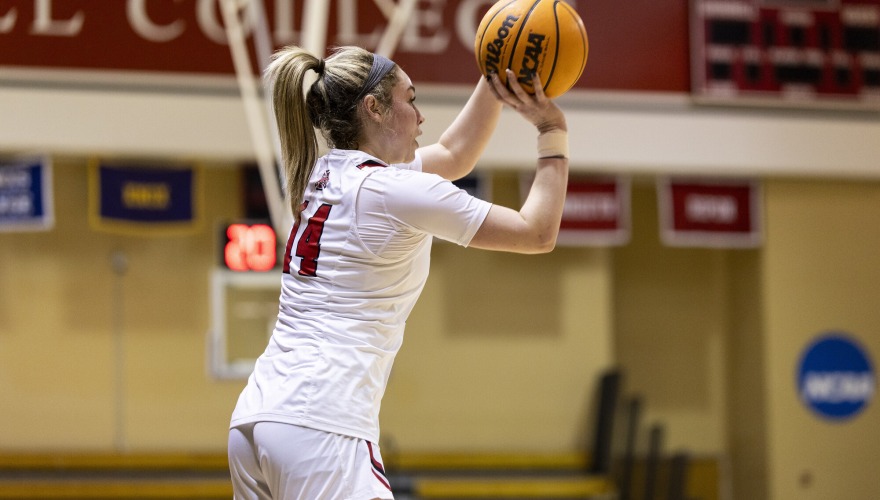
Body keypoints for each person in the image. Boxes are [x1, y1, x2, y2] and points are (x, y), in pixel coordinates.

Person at [228, 44, 569, 500]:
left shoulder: (327, 176)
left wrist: (495, 75)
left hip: (255, 421)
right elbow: (537, 232)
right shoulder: (392, 191)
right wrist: (552, 131)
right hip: (321, 425)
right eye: (411, 99)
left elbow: (455, 153)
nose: (421, 116)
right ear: (375, 108)